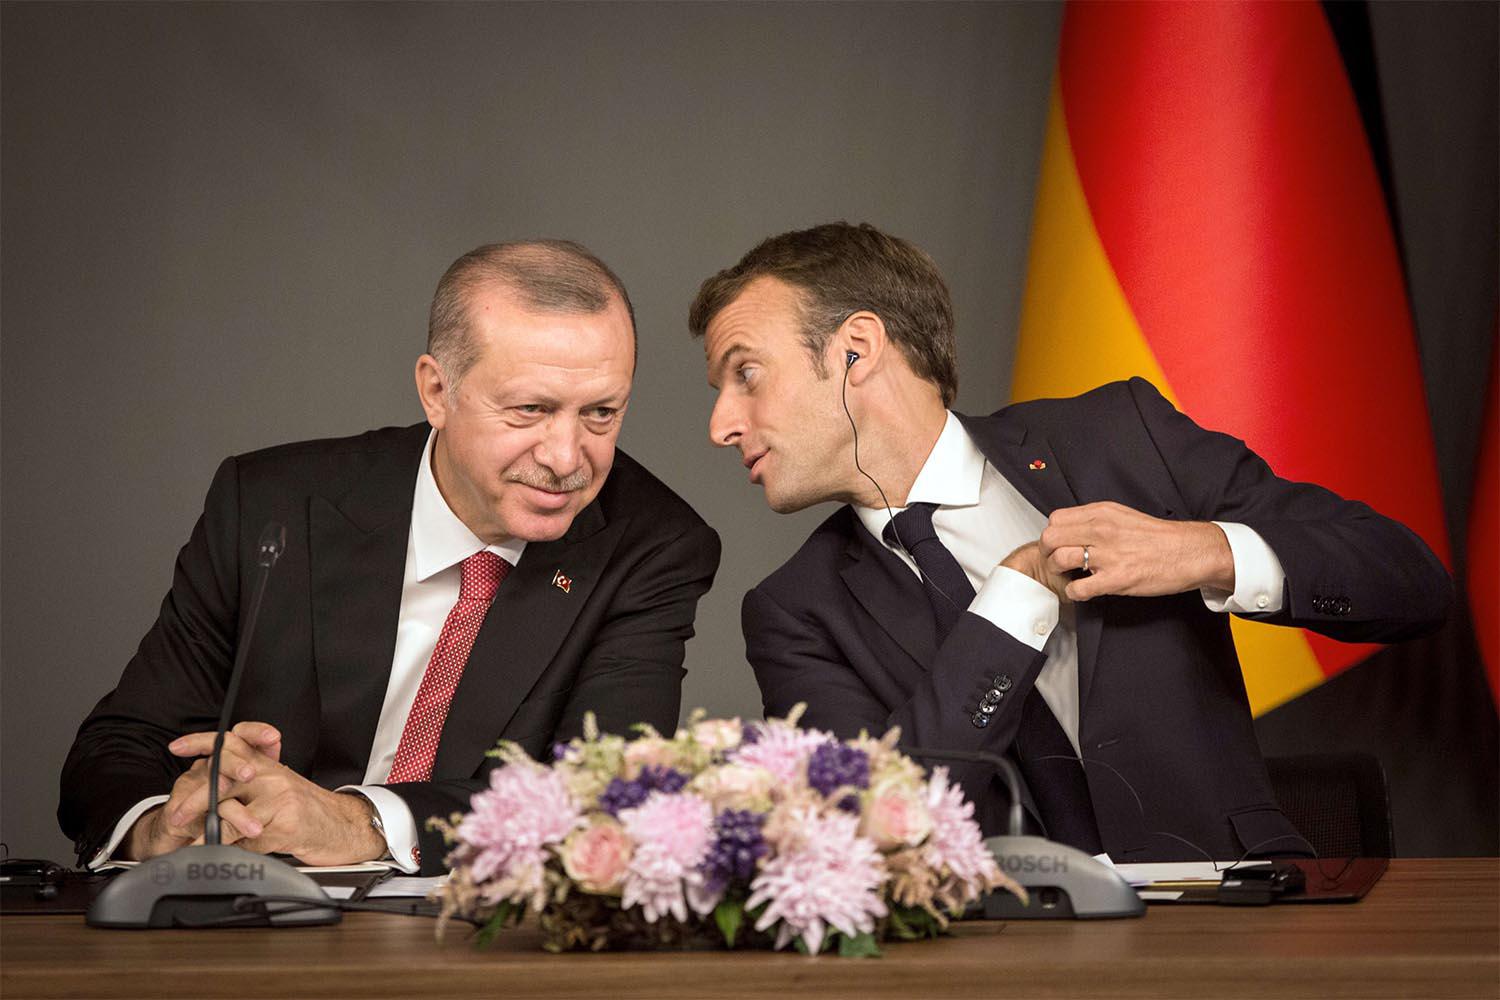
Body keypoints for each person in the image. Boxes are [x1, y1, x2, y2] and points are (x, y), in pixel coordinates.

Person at [689, 222, 1449, 861]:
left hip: (1242, 929)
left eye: (746, 374)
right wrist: (1013, 606)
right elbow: (868, 835)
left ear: (856, 349)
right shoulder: (793, 611)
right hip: (995, 965)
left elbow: (1410, 579)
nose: (722, 425)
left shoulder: (1124, 436)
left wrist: (1207, 551)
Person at [60, 240, 720, 875]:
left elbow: (598, 800)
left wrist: (353, 823)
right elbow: (118, 749)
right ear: (437, 391)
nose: (567, 457)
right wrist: (164, 825)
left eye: (601, 412)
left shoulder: (652, 546)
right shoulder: (274, 505)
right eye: (529, 410)